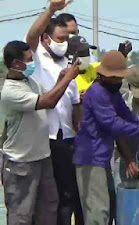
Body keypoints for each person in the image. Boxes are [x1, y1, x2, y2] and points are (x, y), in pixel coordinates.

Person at [73, 50, 139, 224]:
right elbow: (112, 123)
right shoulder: (97, 93)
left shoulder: (112, 93)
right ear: (103, 75)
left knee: (109, 207)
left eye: (119, 77)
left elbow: (126, 115)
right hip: (90, 159)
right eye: (115, 77)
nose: (118, 81)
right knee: (98, 212)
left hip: (101, 157)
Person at [1, 40, 80, 225]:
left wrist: (61, 78)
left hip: (42, 157)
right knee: (22, 214)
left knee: (48, 207)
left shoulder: (31, 82)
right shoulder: (11, 91)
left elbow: (49, 95)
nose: (32, 63)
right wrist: (69, 79)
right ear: (15, 64)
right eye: (29, 60)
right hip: (21, 162)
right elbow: (48, 102)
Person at [24, 1, 83, 225]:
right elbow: (31, 35)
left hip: (67, 140)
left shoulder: (69, 65)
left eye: (66, 39)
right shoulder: (36, 58)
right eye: (59, 39)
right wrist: (51, 10)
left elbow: (75, 107)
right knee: (47, 200)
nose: (63, 43)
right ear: (46, 39)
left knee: (67, 197)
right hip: (44, 139)